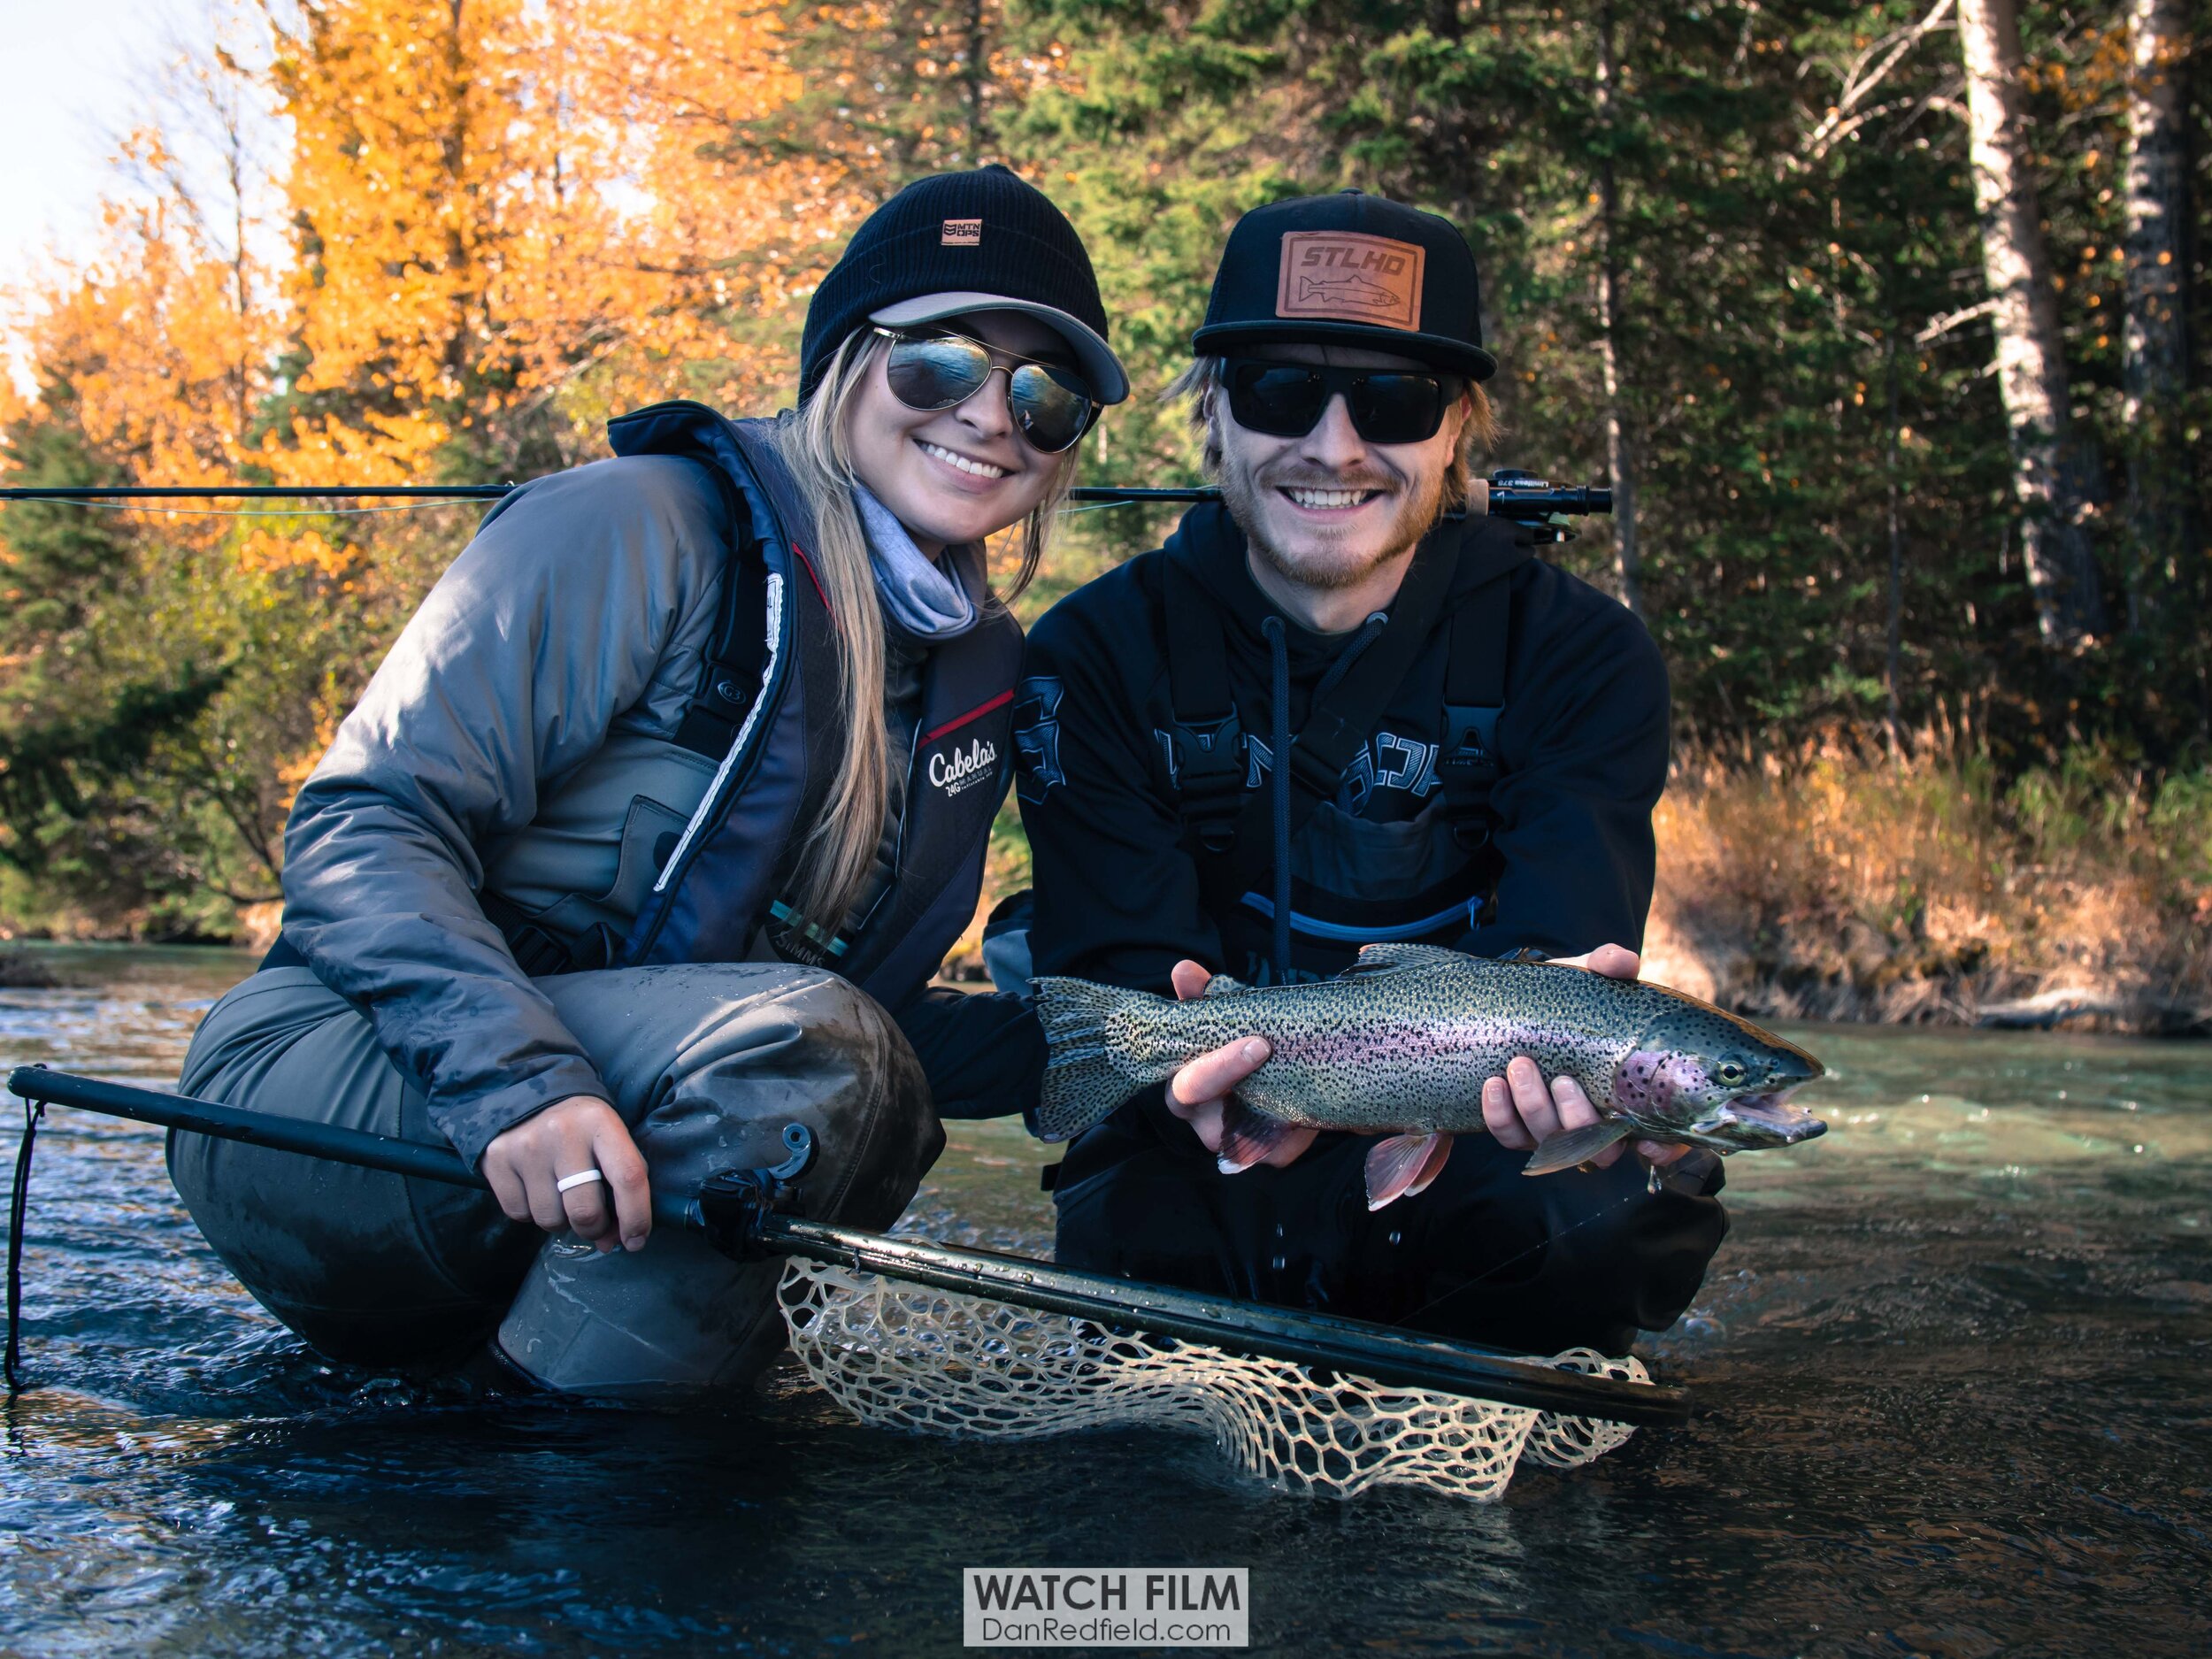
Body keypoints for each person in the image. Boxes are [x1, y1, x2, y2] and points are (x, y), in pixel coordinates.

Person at [168, 165, 1125, 1399]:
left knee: (850, 1074)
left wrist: (1154, 1053)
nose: (994, 417)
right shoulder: (634, 525)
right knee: (811, 1063)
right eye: (938, 362)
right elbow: (362, 826)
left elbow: (882, 1033)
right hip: (342, 1092)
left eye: (1044, 395)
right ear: (844, 362)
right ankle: (568, 1509)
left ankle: (547, 1446)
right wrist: (521, 1084)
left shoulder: (971, 671)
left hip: (604, 1123)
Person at [1011, 191, 1726, 1358]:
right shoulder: (1094, 657)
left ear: (1456, 430)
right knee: (1142, 1230)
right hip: (1203, 1151)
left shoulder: (1581, 656)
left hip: (1475, 1154)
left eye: (1394, 399)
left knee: (1615, 1218)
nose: (1335, 444)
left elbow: (1560, 969)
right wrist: (1223, 1096)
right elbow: (1112, 991)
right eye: (1281, 392)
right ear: (1215, 418)